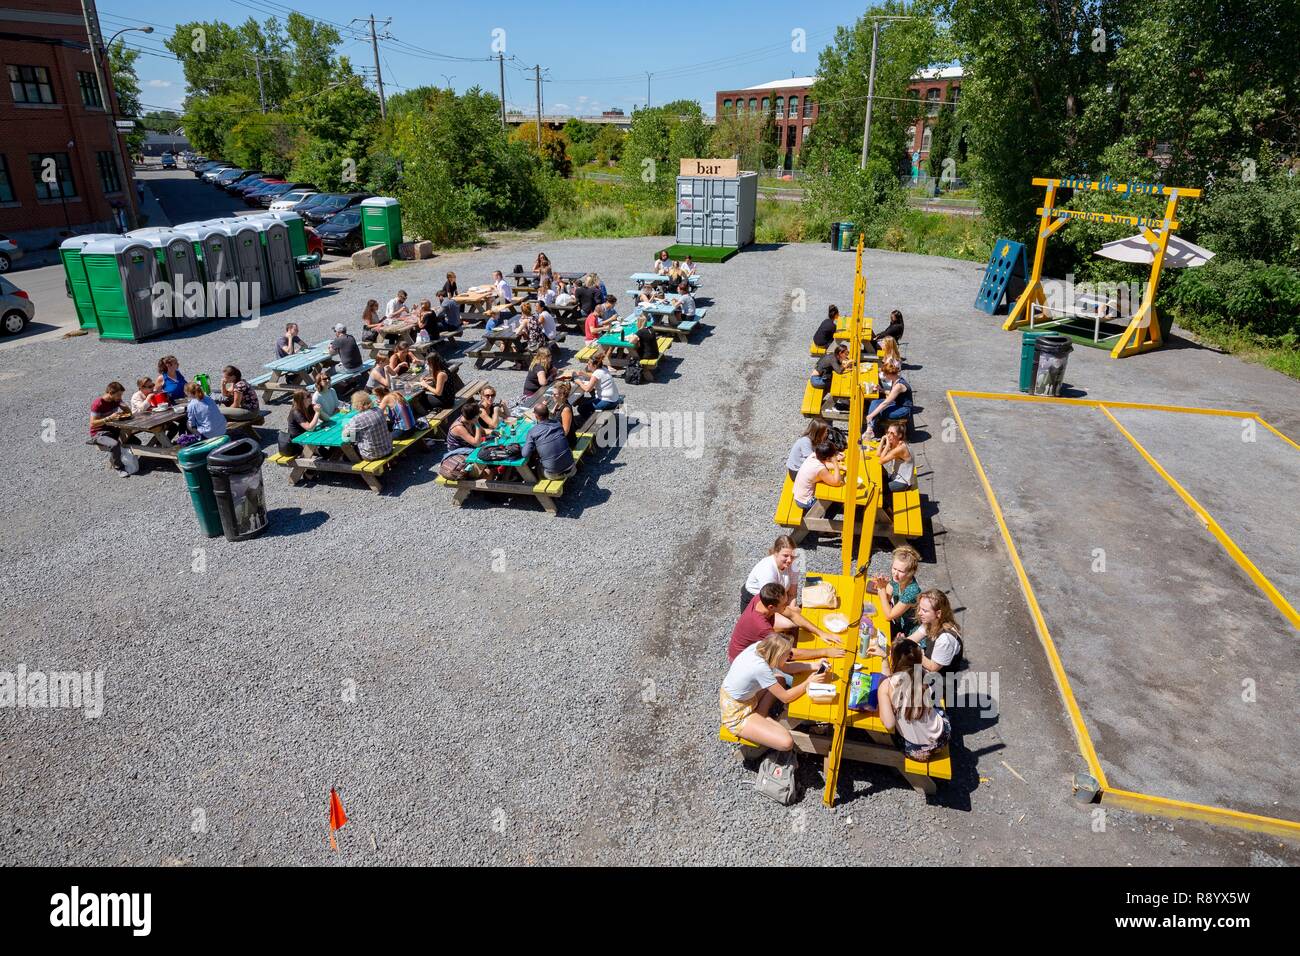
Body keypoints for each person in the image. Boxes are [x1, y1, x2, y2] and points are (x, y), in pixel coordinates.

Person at [719, 634, 828, 751]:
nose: (789, 657)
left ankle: (761, 716)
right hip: (736, 712)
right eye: (787, 655)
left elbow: (786, 667)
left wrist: (814, 665)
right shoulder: (760, 668)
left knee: (780, 679)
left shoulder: (760, 648)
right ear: (778, 655)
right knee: (787, 742)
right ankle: (762, 721)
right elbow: (786, 698)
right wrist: (808, 682)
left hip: (741, 697)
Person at [728, 582, 843, 661]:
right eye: (784, 605)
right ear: (771, 607)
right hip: (743, 659)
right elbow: (788, 654)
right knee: (790, 675)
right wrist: (825, 652)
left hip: (753, 647)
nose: (787, 606)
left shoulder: (762, 598)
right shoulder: (762, 626)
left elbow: (792, 615)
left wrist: (821, 633)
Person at [877, 638, 950, 761]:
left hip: (915, 750)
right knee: (934, 706)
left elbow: (889, 724)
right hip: (942, 739)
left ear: (894, 659)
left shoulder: (886, 685)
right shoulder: (926, 675)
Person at [741, 535, 802, 616]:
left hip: (779, 601)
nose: (789, 560)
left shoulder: (794, 565)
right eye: (785, 556)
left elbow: (792, 594)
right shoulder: (767, 570)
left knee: (797, 615)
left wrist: (792, 610)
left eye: (792, 556)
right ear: (776, 553)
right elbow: (771, 603)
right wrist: (792, 614)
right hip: (760, 602)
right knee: (791, 622)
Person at [909, 589, 965, 674]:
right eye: (920, 608)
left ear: (938, 613)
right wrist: (901, 641)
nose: (919, 613)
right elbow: (912, 639)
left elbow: (933, 667)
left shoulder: (946, 639)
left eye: (925, 610)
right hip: (928, 666)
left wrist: (917, 651)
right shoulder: (931, 622)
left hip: (939, 681)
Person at [872, 544, 923, 636]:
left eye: (901, 571)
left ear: (911, 572)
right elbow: (886, 599)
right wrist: (882, 586)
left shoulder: (912, 590)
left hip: (911, 633)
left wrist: (881, 589)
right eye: (894, 568)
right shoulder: (898, 578)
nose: (895, 573)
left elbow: (889, 615)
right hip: (899, 624)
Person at [90, 381, 137, 474]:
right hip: (98, 433)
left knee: (136, 441)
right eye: (119, 395)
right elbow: (93, 423)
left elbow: (129, 413)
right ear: (110, 393)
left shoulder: (116, 400)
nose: (120, 397)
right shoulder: (98, 404)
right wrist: (109, 418)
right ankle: (118, 467)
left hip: (112, 429)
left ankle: (127, 459)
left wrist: (124, 406)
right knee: (115, 445)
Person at [521, 401, 575, 479]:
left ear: (536, 416)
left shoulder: (533, 431)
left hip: (554, 474)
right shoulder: (557, 423)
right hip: (571, 468)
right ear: (547, 413)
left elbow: (525, 454)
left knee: (536, 463)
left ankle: (538, 483)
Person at [864, 357, 913, 439]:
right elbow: (892, 394)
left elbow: (886, 403)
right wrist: (881, 390)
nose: (883, 376)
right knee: (874, 403)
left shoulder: (899, 385)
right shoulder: (896, 379)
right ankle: (870, 429)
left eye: (884, 374)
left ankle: (871, 429)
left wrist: (871, 415)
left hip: (904, 408)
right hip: (897, 403)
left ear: (889, 374)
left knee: (880, 411)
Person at [875, 421, 915, 515]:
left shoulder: (900, 448)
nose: (889, 435)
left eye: (892, 433)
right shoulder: (898, 443)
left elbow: (881, 461)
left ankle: (888, 514)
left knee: (878, 491)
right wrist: (882, 440)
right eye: (888, 432)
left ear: (900, 435)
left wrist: (888, 444)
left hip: (903, 482)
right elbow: (878, 454)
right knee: (878, 477)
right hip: (895, 476)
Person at [791, 441, 844, 512]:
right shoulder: (819, 468)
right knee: (836, 502)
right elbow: (836, 482)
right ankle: (823, 519)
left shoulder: (813, 456)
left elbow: (825, 465)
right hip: (805, 501)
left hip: (798, 494)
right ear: (828, 458)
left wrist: (842, 467)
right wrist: (835, 463)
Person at [341, 390, 392, 461]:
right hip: (388, 449)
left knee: (346, 455)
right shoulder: (379, 410)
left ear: (357, 405)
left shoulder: (356, 419)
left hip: (371, 455)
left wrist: (345, 427)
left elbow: (348, 437)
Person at [443, 399, 487, 474]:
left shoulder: (469, 419)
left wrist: (494, 431)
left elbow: (483, 432)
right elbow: (477, 443)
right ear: (474, 417)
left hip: (468, 449)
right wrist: (477, 423)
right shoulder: (459, 427)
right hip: (458, 454)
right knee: (487, 463)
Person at [786, 417, 832, 482]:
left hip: (802, 468)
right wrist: (833, 462)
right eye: (825, 432)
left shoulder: (814, 439)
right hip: (796, 472)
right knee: (825, 476)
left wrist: (832, 456)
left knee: (825, 472)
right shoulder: (806, 441)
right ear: (818, 433)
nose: (826, 434)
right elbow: (813, 461)